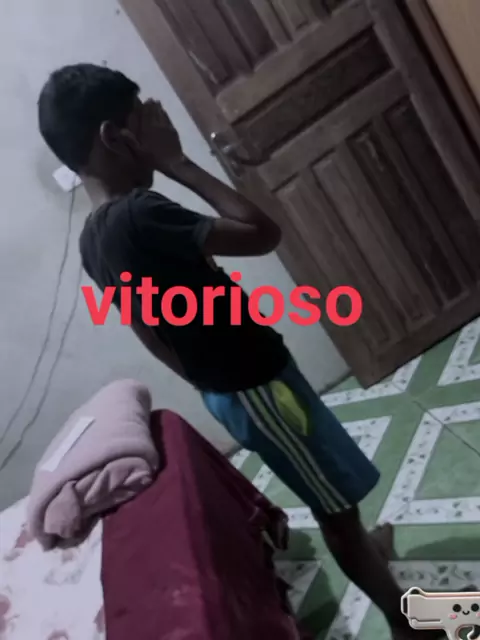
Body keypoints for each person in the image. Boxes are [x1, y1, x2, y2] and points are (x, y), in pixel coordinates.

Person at [38, 64, 439, 640]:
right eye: (145, 121)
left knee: (332, 486)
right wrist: (178, 162)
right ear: (115, 136)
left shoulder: (94, 237)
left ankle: (367, 549)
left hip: (243, 385)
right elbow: (261, 232)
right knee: (336, 512)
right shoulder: (142, 213)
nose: (158, 128)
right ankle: (405, 620)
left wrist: (210, 378)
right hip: (257, 388)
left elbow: (147, 332)